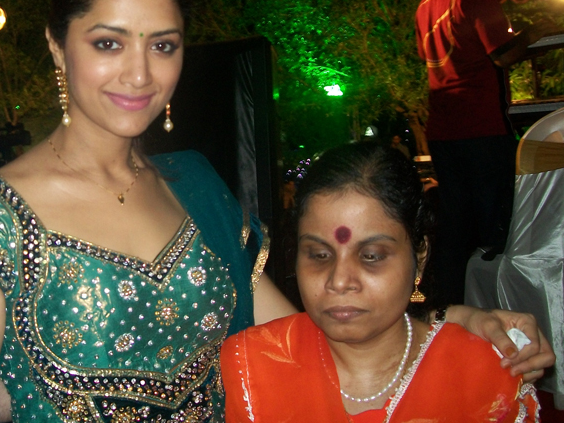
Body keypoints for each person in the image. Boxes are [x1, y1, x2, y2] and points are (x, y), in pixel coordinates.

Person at [0, 0, 553, 422]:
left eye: (162, 45)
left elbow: (306, 337)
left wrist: (451, 324)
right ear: (57, 46)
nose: (139, 74)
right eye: (108, 43)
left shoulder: (193, 186)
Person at [221, 143, 542, 422]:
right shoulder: (251, 367)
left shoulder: (483, 373)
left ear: (420, 255)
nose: (339, 281)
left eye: (372, 256)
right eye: (319, 255)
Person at [415, 0, 557, 305]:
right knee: (495, 230)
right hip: (482, 129)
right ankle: (498, 310)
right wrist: (536, 32)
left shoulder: (427, 2)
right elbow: (503, 54)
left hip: (444, 132)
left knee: (455, 229)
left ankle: (449, 310)